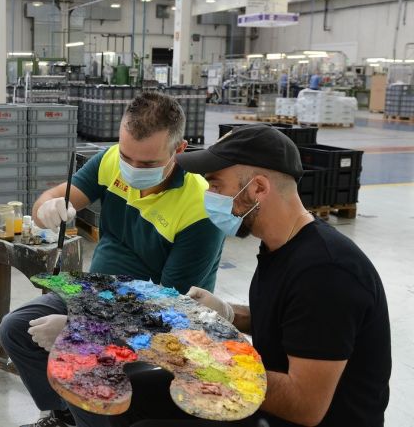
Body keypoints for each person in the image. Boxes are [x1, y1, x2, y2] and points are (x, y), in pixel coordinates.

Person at [124, 123, 390, 427]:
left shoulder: (326, 272)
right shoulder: (283, 246)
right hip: (268, 404)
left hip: (301, 417)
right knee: (135, 393)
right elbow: (291, 322)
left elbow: (305, 405)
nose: (208, 195)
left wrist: (198, 359)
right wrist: (225, 314)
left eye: (215, 184)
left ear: (258, 188)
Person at [0, 92, 226, 427]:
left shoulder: (199, 208)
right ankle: (63, 416)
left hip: (155, 314)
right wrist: (45, 209)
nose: (132, 170)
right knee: (15, 329)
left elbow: (170, 315)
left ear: (179, 150)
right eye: (126, 157)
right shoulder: (110, 161)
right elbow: (53, 198)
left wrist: (86, 331)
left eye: (147, 164)